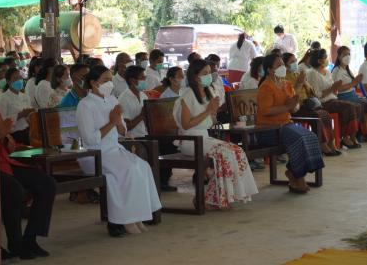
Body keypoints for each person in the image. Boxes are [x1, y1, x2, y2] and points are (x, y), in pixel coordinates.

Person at [76, 65, 161, 236]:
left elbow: (123, 132)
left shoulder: (113, 100)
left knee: (142, 167)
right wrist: (113, 121)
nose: (109, 84)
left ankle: (138, 215)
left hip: (114, 149)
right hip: (95, 154)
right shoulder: (85, 105)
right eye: (105, 80)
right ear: (93, 83)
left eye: (110, 80)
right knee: (128, 170)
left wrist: (119, 122)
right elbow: (90, 139)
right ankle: (125, 218)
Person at [173, 59, 258, 209]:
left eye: (209, 73)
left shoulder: (208, 92)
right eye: (204, 73)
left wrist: (213, 112)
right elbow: (186, 124)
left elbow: (210, 122)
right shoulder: (187, 94)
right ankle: (212, 198)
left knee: (236, 151)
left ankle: (222, 196)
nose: (208, 76)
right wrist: (208, 110)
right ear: (194, 76)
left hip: (204, 137)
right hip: (190, 140)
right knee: (224, 154)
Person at [255, 54, 324, 193]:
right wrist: (287, 107)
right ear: (269, 70)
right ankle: (298, 177)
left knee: (310, 136)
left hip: (286, 125)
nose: (283, 68)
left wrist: (293, 105)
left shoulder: (286, 84)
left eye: (283, 65)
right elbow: (266, 111)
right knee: (299, 139)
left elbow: (294, 107)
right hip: (269, 129)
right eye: (279, 65)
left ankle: (293, 172)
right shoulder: (266, 87)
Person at [0, 115, 56, 260]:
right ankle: (15, 244)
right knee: (13, 189)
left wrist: (7, 139)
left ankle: (30, 239)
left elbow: (5, 140)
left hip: (5, 161)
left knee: (47, 184)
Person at [282, 53, 339, 156]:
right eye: (292, 62)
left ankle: (331, 142)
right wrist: (299, 83)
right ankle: (322, 144)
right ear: (285, 64)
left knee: (325, 114)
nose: (295, 63)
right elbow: (290, 96)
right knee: (316, 116)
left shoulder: (297, 74)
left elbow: (311, 91)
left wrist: (305, 82)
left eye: (295, 60)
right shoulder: (285, 78)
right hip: (296, 106)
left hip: (307, 103)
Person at [307, 49, 366, 148]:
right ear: (319, 60)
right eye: (325, 58)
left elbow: (334, 91)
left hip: (333, 99)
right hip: (323, 102)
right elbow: (317, 95)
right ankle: (344, 137)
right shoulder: (312, 73)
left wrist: (335, 88)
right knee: (349, 107)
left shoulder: (327, 72)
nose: (327, 59)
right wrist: (332, 88)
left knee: (357, 106)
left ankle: (352, 136)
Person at [332, 46, 367, 141]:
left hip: (353, 95)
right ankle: (362, 133)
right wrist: (353, 83)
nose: (347, 56)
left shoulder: (348, 70)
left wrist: (357, 82)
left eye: (349, 54)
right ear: (339, 56)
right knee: (364, 106)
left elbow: (355, 85)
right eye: (345, 54)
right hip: (343, 97)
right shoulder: (337, 70)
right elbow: (338, 89)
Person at [0, 68, 34, 145]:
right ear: (8, 81)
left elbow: (30, 113)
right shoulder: (3, 98)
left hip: (28, 130)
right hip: (14, 134)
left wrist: (30, 113)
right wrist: (19, 115)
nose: (19, 80)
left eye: (20, 78)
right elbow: (2, 121)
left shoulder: (24, 96)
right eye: (15, 78)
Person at [118, 66, 148, 139]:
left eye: (145, 77)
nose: (145, 80)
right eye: (142, 78)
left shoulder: (143, 95)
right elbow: (125, 127)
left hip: (145, 135)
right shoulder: (123, 98)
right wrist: (142, 115)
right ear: (132, 80)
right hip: (132, 139)